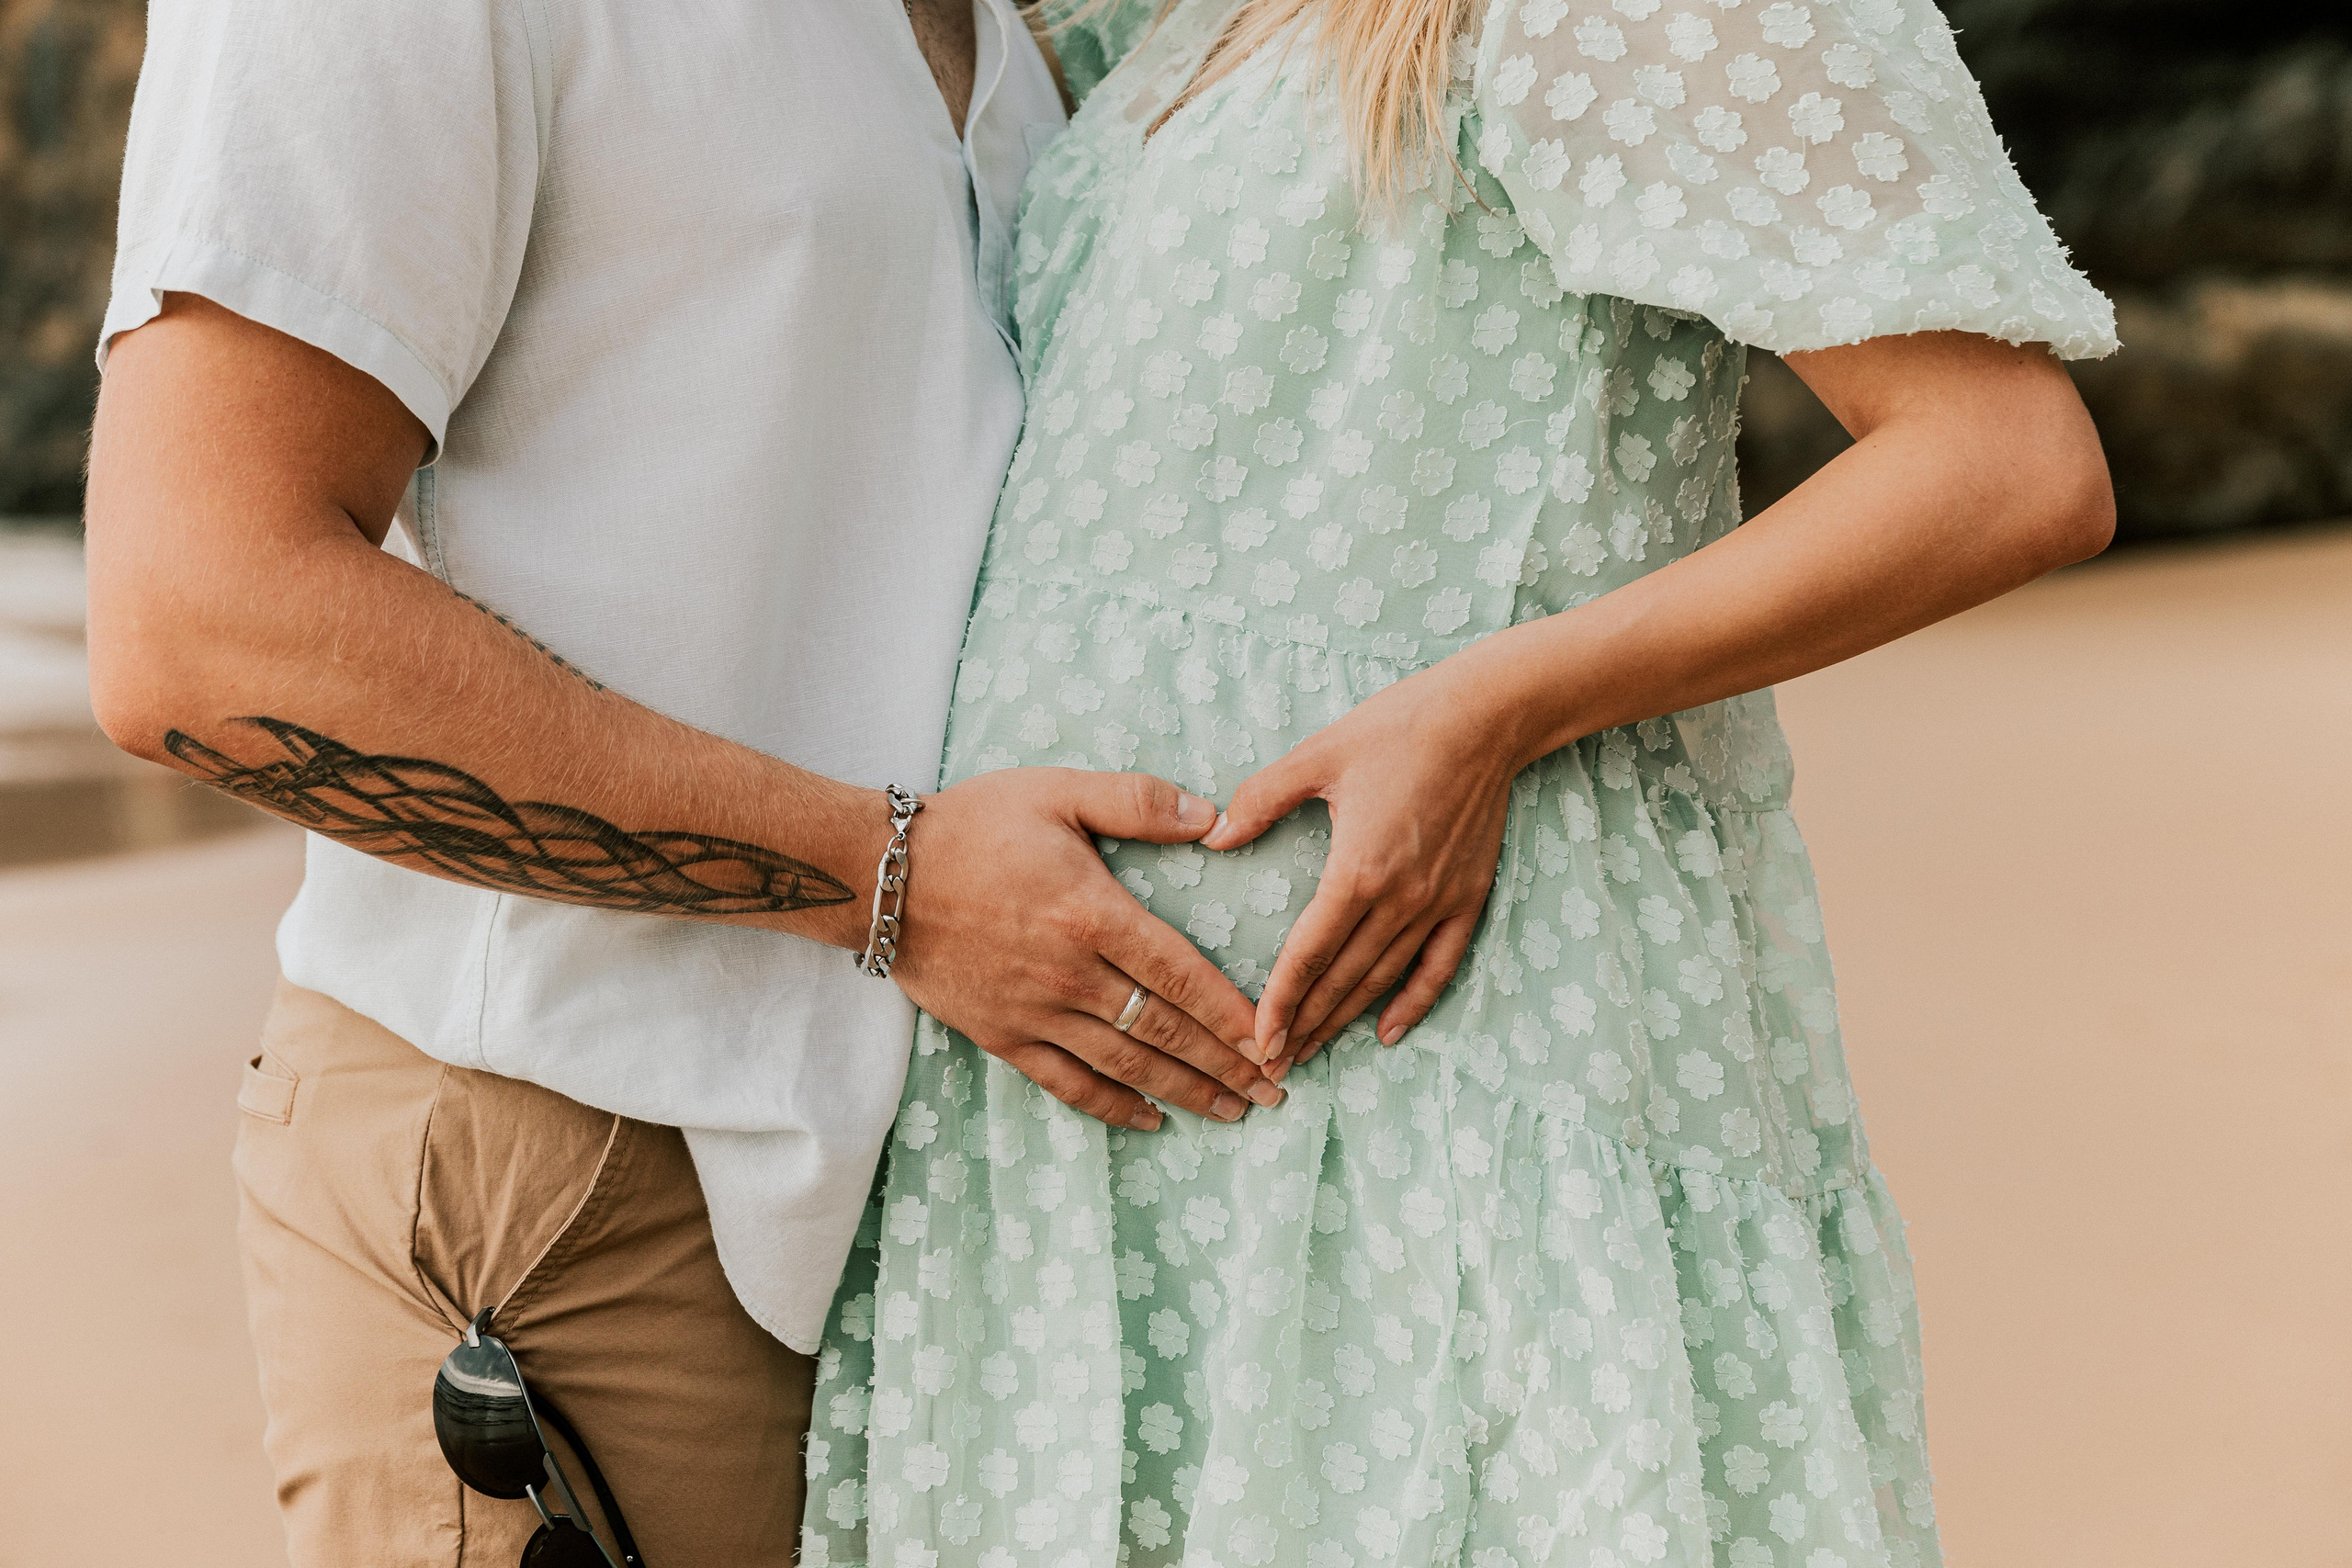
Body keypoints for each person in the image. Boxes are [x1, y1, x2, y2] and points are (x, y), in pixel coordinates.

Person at [805, 0, 2115, 1564]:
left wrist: (1492, 707)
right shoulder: (1187, 21)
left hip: (1441, 1068)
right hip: (1097, 1127)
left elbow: (2006, 463)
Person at [82, 2, 1291, 1562]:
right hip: (571, 1181)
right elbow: (202, 625)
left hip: (922, 1219)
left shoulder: (1002, 33)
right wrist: (887, 878)